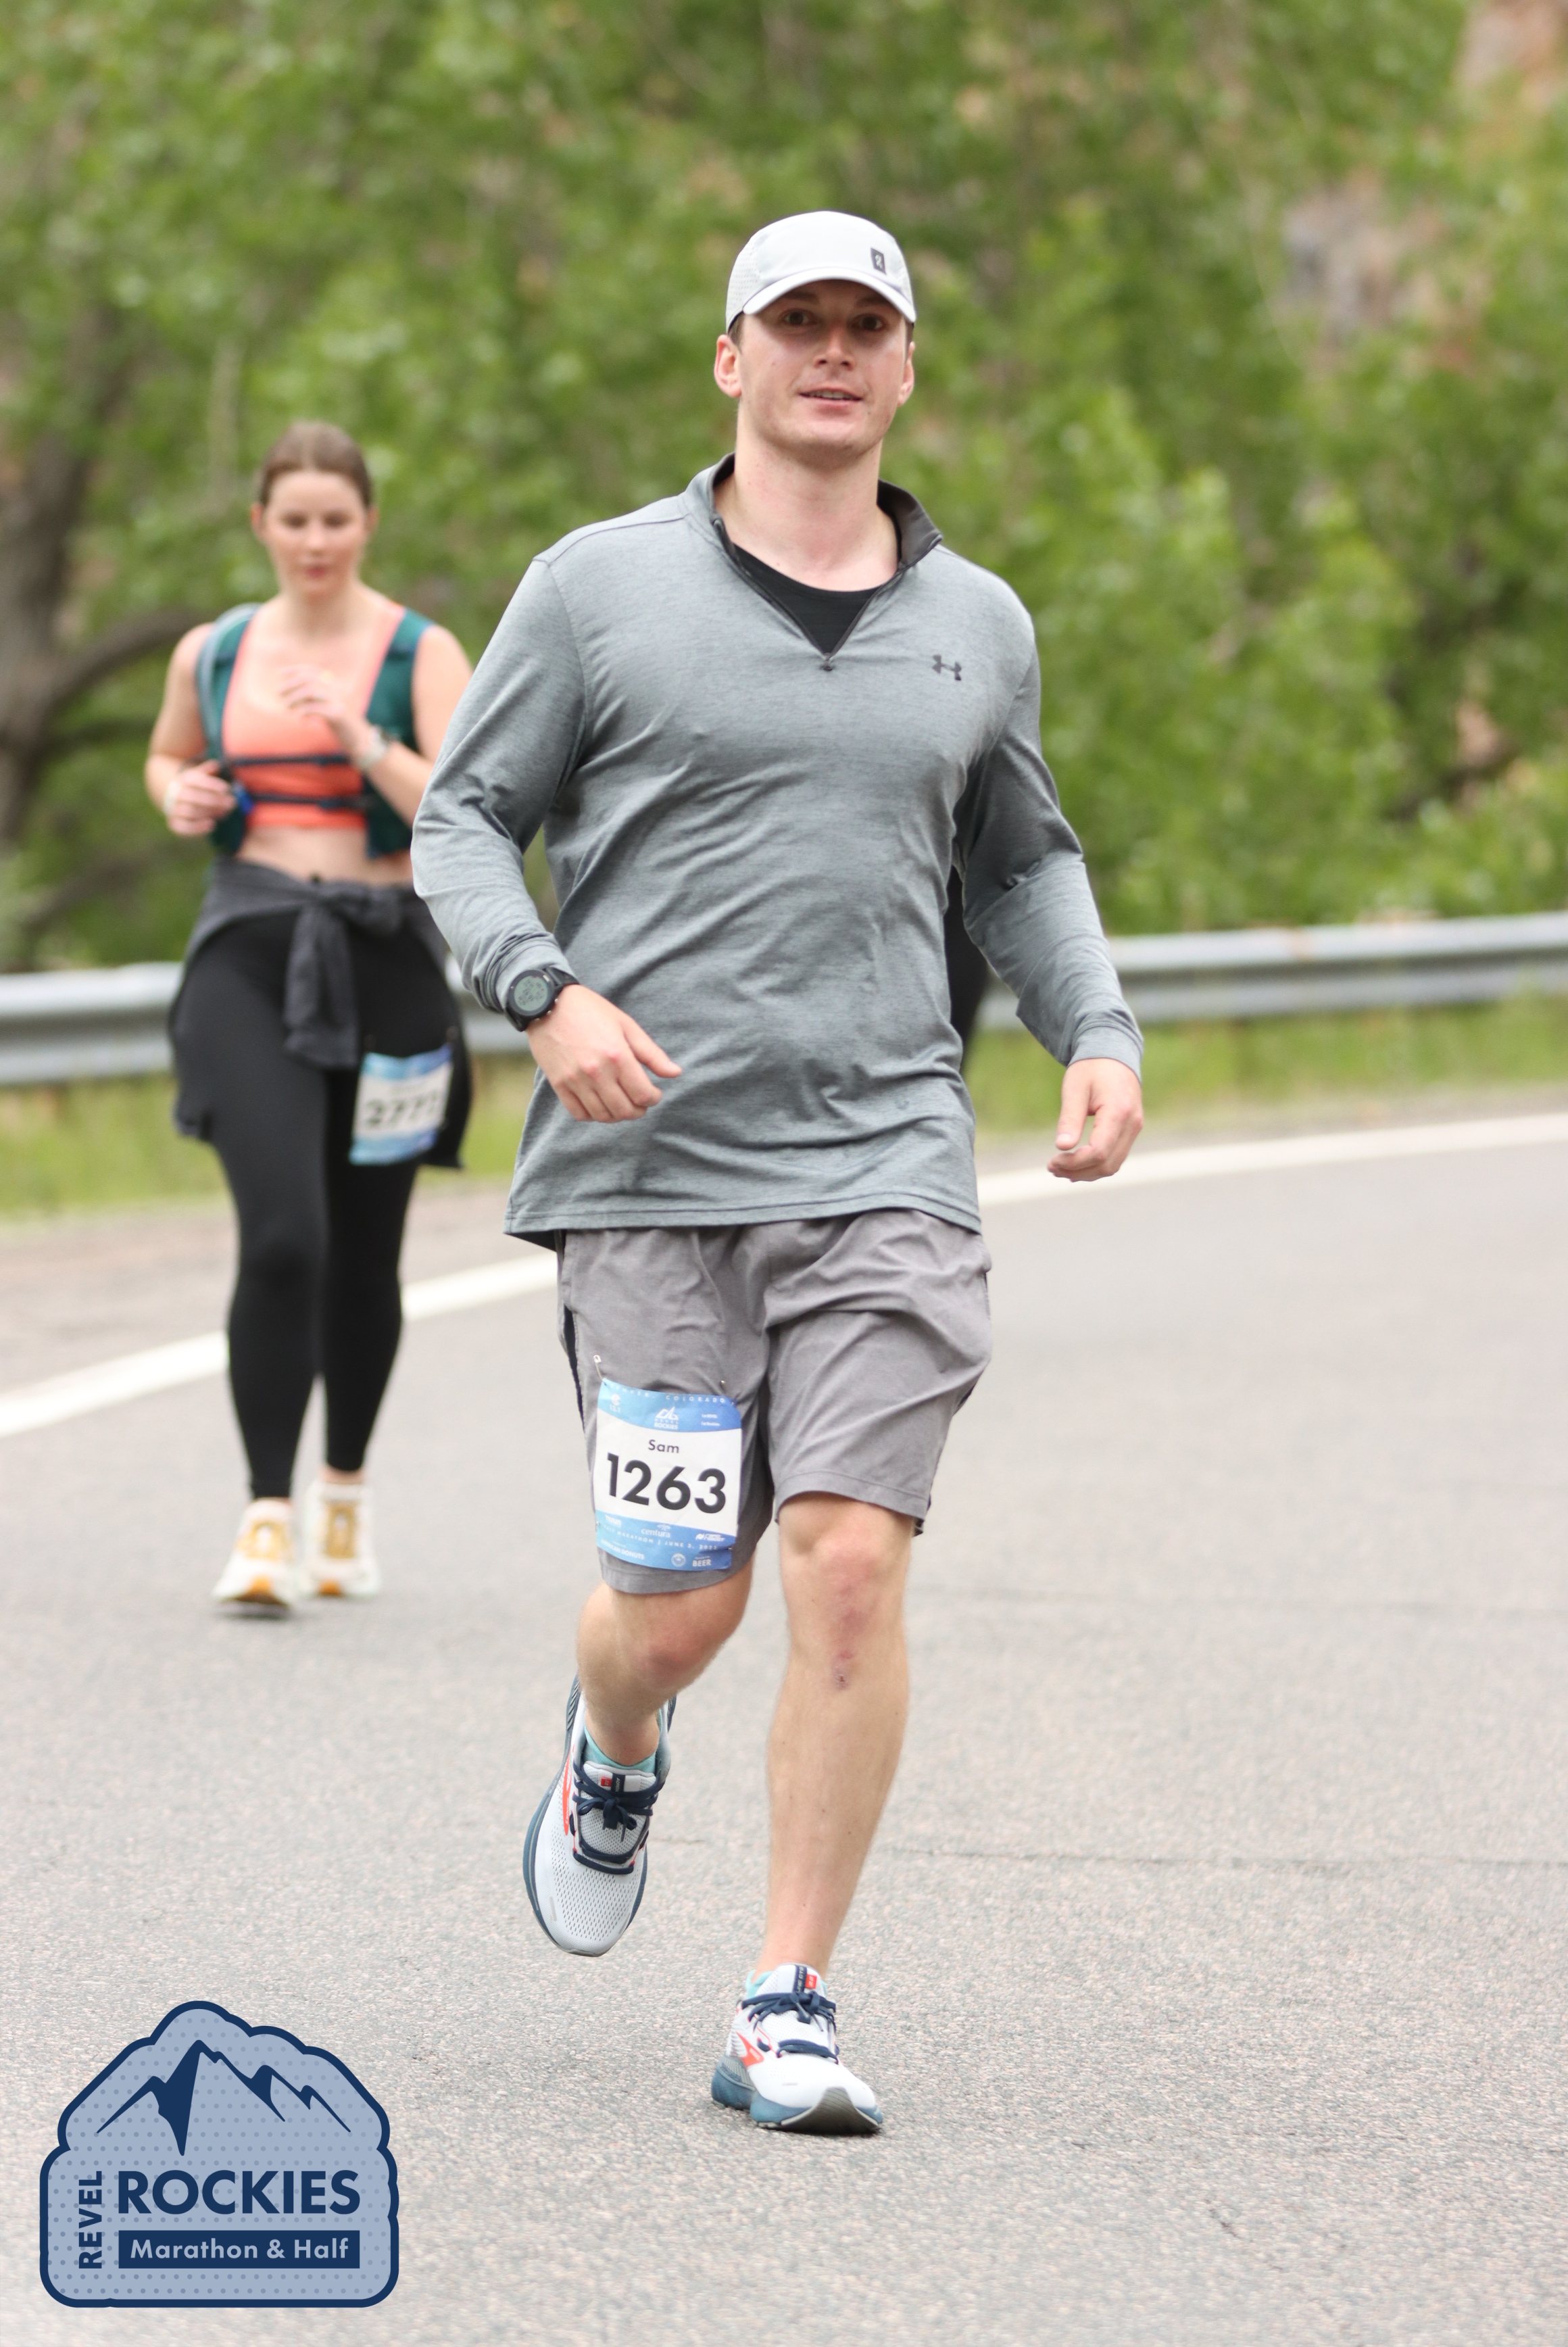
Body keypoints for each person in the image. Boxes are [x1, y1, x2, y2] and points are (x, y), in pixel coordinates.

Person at [413, 213, 1144, 2133]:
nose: (833, 351)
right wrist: (544, 991)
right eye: (796, 321)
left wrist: (1096, 1027)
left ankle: (785, 1998)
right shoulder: (597, 589)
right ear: (730, 356)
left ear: (904, 368)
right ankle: (613, 1740)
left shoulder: (978, 620)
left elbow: (1020, 859)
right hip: (647, 1172)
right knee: (678, 1608)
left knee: (844, 1566)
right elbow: (464, 820)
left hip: (888, 1154)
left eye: (864, 326)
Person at [145, 420, 472, 1613]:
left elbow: (465, 805)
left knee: (364, 1250)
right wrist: (180, 793)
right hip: (250, 953)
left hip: (387, 962)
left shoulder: (421, 651)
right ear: (262, 526)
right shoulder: (215, 650)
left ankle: (344, 1493)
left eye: (338, 520)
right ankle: (265, 1518)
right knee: (284, 1236)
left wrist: (358, 736)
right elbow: (167, 759)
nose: (317, 541)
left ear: (368, 523)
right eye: (295, 520)